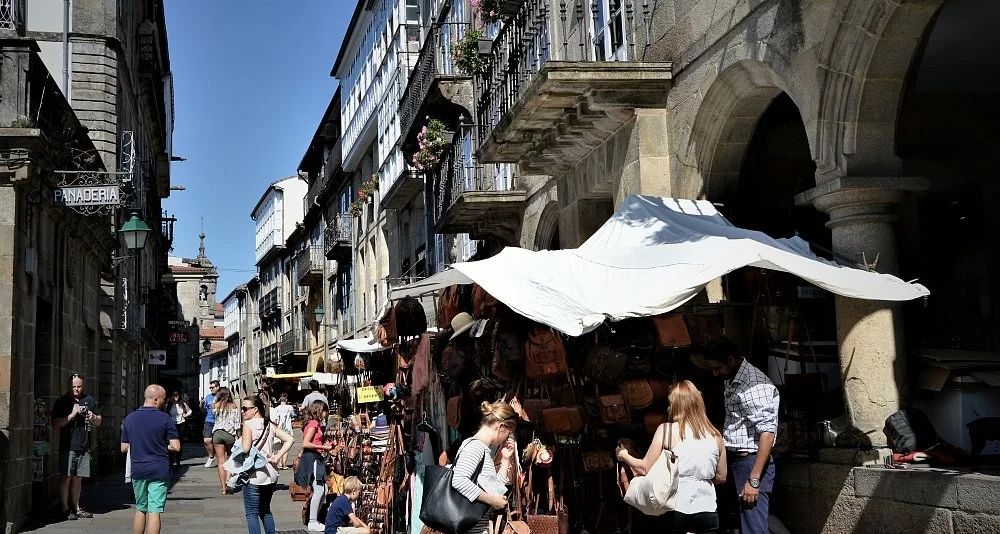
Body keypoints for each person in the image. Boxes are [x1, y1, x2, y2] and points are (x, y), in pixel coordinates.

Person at [617, 380, 728, 533]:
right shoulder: (715, 436)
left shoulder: (667, 430)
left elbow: (644, 468)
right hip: (707, 509)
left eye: (670, 403)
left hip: (676, 507)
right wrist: (700, 478)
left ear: (677, 405)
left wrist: (624, 456)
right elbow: (721, 477)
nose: (668, 407)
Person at [702, 337, 779, 534]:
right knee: (736, 525)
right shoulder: (732, 378)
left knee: (753, 527)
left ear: (730, 360)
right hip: (735, 460)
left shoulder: (754, 385)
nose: (714, 373)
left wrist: (754, 480)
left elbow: (767, 434)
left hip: (751, 463)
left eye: (717, 367)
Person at [451, 401, 518, 534]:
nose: (507, 438)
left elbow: (494, 490)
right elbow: (458, 480)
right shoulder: (475, 447)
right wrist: (492, 501)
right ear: (501, 427)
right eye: (509, 433)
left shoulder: (482, 449)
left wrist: (505, 460)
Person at [121, 385, 181, 534]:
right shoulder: (165, 418)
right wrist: (162, 446)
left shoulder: (130, 418)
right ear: (156, 400)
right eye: (163, 398)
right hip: (159, 469)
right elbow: (176, 446)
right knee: (154, 511)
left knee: (140, 508)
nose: (165, 401)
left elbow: (123, 447)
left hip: (138, 469)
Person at [239, 395, 295, 534]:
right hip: (270, 474)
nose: (242, 411)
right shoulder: (269, 424)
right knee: (265, 510)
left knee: (251, 512)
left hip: (254, 474)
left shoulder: (248, 425)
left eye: (245, 408)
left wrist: (239, 440)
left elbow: (245, 448)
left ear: (255, 409)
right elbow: (290, 439)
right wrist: (277, 457)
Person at [51, 373, 102, 521]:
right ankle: (64, 508)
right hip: (68, 445)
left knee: (78, 478)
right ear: (69, 386)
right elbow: (55, 424)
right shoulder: (62, 402)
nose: (76, 389)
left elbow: (99, 421)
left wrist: (93, 417)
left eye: (79, 386)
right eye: (74, 386)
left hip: (84, 445)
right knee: (66, 477)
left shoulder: (89, 400)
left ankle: (77, 507)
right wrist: (72, 415)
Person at [295, 401, 333, 532]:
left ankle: (316, 517)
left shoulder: (313, 423)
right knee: (319, 489)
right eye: (325, 411)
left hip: (315, 458)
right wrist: (324, 447)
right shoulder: (314, 423)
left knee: (325, 489)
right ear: (321, 410)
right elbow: (306, 443)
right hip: (312, 459)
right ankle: (312, 521)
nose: (326, 414)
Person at [212, 386, 241, 495]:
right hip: (229, 434)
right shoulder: (233, 406)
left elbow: (213, 410)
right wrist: (239, 437)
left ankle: (223, 488)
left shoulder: (215, 406)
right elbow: (237, 424)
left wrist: (217, 398)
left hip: (217, 434)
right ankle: (228, 481)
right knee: (231, 459)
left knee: (220, 462)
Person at [165, 391, 192, 468]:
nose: (175, 397)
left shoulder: (182, 404)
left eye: (177, 396)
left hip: (181, 423)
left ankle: (178, 461)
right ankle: (171, 461)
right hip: (172, 424)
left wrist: (185, 415)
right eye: (174, 396)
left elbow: (190, 411)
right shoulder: (169, 405)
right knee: (171, 442)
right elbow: (165, 412)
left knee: (179, 442)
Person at [270, 393, 295, 469]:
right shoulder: (289, 407)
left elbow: (275, 419)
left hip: (279, 429)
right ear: (286, 400)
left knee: (279, 447)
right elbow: (293, 414)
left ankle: (279, 463)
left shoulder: (276, 408)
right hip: (287, 428)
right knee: (286, 446)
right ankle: (284, 464)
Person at [203, 381, 220, 468]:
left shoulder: (221, 396)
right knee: (207, 440)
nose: (211, 389)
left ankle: (220, 458)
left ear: (217, 387)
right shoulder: (208, 397)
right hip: (209, 420)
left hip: (219, 421)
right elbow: (205, 408)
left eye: (212, 387)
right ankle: (211, 457)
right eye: (210, 388)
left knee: (218, 441)